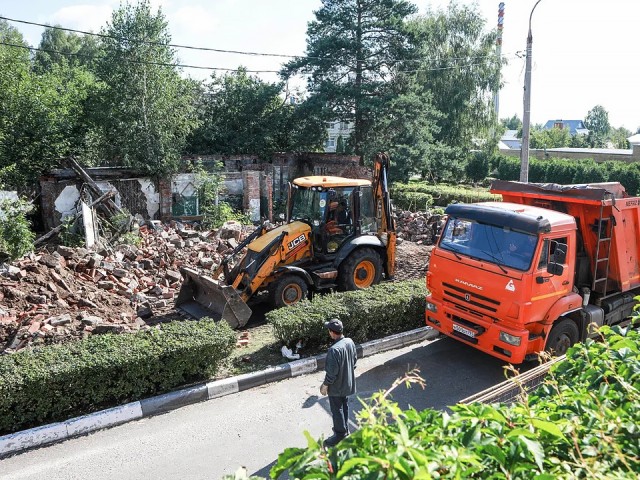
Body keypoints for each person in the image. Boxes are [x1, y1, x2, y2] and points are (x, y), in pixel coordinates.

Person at [319, 318, 357, 447]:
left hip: (336, 387)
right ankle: (345, 430)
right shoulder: (350, 342)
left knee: (336, 410)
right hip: (348, 383)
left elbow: (332, 373)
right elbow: (354, 362)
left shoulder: (334, 350)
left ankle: (340, 434)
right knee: (344, 406)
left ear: (332, 332)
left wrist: (325, 385)